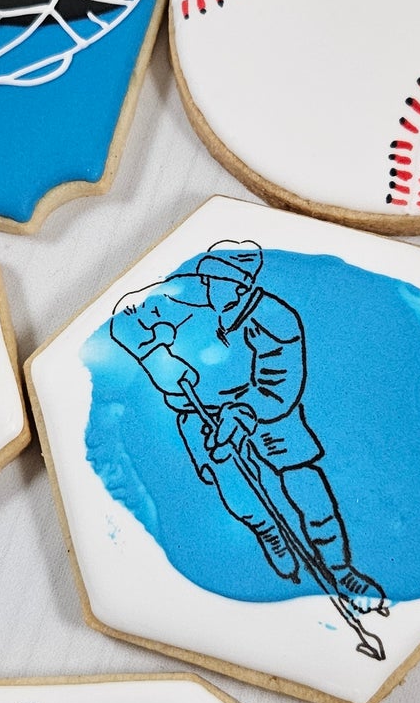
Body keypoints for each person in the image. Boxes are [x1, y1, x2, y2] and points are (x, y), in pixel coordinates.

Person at [110, 241, 387, 614]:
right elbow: (123, 318)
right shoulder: (183, 298)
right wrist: (154, 356)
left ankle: (339, 568)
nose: (208, 287)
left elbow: (279, 383)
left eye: (217, 280)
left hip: (267, 411)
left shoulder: (275, 319)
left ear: (239, 283)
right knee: (236, 488)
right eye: (206, 279)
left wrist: (242, 413)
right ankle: (269, 532)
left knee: (305, 484)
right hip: (202, 412)